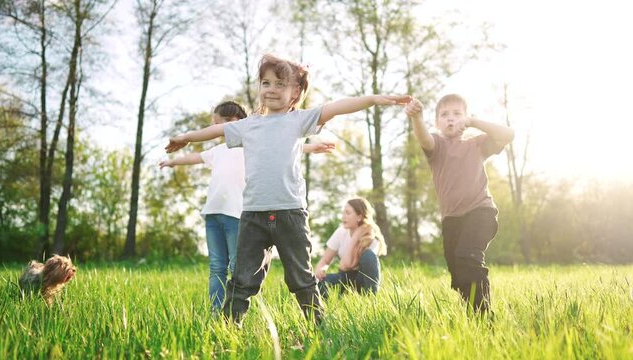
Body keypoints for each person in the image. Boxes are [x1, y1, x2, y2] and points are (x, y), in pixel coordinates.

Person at [165, 53, 410, 324]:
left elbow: (338, 106)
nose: (271, 89)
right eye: (266, 83)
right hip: (253, 215)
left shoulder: (299, 120)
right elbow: (216, 132)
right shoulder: (248, 126)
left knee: (300, 277)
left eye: (280, 84)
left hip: (290, 214)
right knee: (242, 279)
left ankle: (319, 326)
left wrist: (374, 99)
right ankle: (229, 329)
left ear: (295, 92)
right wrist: (186, 138)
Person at [159, 100, 334, 312]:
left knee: (239, 266)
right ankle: (217, 311)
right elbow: (196, 157)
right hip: (213, 213)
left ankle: (239, 306)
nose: (215, 129)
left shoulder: (248, 143)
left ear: (233, 122)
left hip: (237, 213)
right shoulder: (218, 150)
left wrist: (310, 147)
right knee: (216, 266)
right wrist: (173, 162)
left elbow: (279, 146)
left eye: (217, 124)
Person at [405, 94, 514, 313]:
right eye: (444, 115)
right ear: (437, 122)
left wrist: (474, 122)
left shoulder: (477, 144)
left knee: (468, 258)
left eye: (457, 114)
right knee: (458, 273)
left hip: (480, 213)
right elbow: (424, 139)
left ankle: (484, 319)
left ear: (465, 118)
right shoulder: (437, 145)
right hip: (451, 221)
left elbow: (508, 134)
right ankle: (472, 315)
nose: (450, 119)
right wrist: (417, 118)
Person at [314, 197, 387, 298]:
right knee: (317, 283)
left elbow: (346, 264)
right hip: (345, 277)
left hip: (362, 280)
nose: (343, 217)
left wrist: (355, 236)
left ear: (359, 216)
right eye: (343, 213)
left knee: (368, 255)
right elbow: (326, 260)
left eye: (348, 213)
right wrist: (320, 270)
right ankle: (327, 306)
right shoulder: (340, 232)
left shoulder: (371, 237)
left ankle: (371, 299)